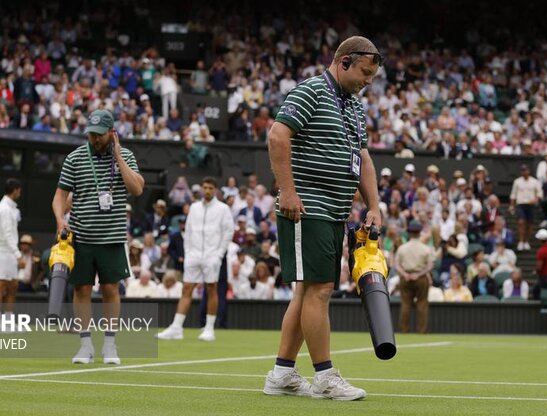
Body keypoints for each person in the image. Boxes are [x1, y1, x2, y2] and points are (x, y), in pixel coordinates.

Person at [263, 36, 383, 400]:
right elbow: (277, 135)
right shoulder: (311, 91)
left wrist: (373, 205)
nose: (368, 81)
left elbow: (362, 159)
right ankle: (325, 377)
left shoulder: (354, 107)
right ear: (344, 61)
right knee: (319, 289)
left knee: (307, 290)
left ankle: (281, 373)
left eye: (373, 76)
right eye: (364, 72)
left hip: (334, 211)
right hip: (306, 206)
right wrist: (288, 191)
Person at [52, 109, 144, 365]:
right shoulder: (75, 158)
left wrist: (118, 156)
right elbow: (60, 196)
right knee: (81, 289)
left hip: (112, 237)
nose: (94, 139)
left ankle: (110, 345)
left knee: (110, 289)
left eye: (99, 135)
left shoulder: (125, 155)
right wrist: (61, 220)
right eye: (91, 134)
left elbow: (136, 189)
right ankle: (85, 345)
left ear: (111, 133)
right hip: (80, 235)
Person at [156, 177, 234, 342]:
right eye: (205, 187)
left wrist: (219, 254)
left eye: (210, 188)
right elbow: (189, 231)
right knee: (186, 289)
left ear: (216, 190)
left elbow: (228, 232)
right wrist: (189, 252)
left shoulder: (223, 209)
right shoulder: (194, 208)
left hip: (212, 256)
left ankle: (209, 329)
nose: (207, 191)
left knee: (211, 289)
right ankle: (176, 328)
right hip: (193, 256)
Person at [0, 178, 24, 328]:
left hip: (9, 251)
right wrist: (18, 255)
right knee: (1, 284)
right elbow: (7, 234)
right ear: (15, 190)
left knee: (13, 285)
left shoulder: (11, 208)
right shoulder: (4, 209)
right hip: (4, 251)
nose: (20, 192)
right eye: (19, 189)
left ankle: (8, 322)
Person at [394, 220, 434, 333]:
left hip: (406, 277)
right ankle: (422, 331)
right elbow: (430, 266)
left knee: (405, 304)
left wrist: (405, 274)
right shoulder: (425, 248)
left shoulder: (402, 248)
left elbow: (396, 264)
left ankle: (404, 330)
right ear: (420, 232)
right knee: (422, 304)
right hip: (420, 278)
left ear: (409, 233)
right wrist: (418, 274)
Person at [509, 164, 543, 251]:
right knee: (521, 222)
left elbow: (539, 193)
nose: (524, 172)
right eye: (522, 170)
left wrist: (535, 199)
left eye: (526, 170)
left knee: (529, 224)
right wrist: (512, 205)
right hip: (520, 204)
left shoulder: (535, 182)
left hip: (531, 205)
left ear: (529, 171)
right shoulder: (517, 182)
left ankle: (526, 241)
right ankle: (520, 241)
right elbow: (513, 194)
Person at [533, 229, 547, 299]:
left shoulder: (541, 251)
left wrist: (535, 271)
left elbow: (539, 266)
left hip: (545, 276)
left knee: (536, 291)